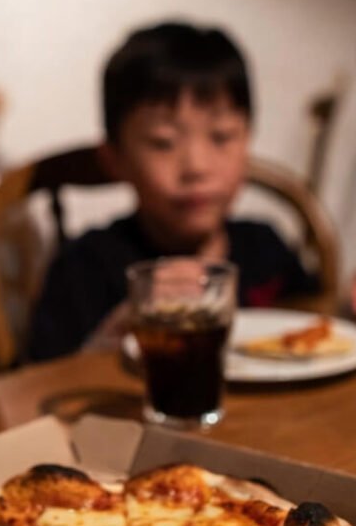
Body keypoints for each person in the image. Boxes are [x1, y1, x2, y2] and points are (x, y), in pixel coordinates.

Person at [28, 21, 319, 362]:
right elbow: (40, 382)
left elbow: (320, 328)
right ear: (115, 159)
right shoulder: (85, 266)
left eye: (222, 136)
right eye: (163, 142)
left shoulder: (266, 247)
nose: (196, 166)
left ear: (248, 141)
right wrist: (114, 335)